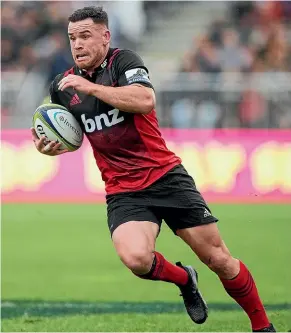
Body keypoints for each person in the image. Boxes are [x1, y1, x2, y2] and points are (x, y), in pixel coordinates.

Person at [31, 6, 275, 332]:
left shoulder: (123, 62)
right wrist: (46, 145)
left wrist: (91, 88)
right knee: (136, 259)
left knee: (218, 258)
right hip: (123, 188)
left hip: (165, 176)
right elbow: (64, 131)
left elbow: (145, 100)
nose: (77, 45)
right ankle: (184, 279)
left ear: (106, 36)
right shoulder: (62, 85)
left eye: (86, 36)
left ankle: (262, 326)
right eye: (72, 37)